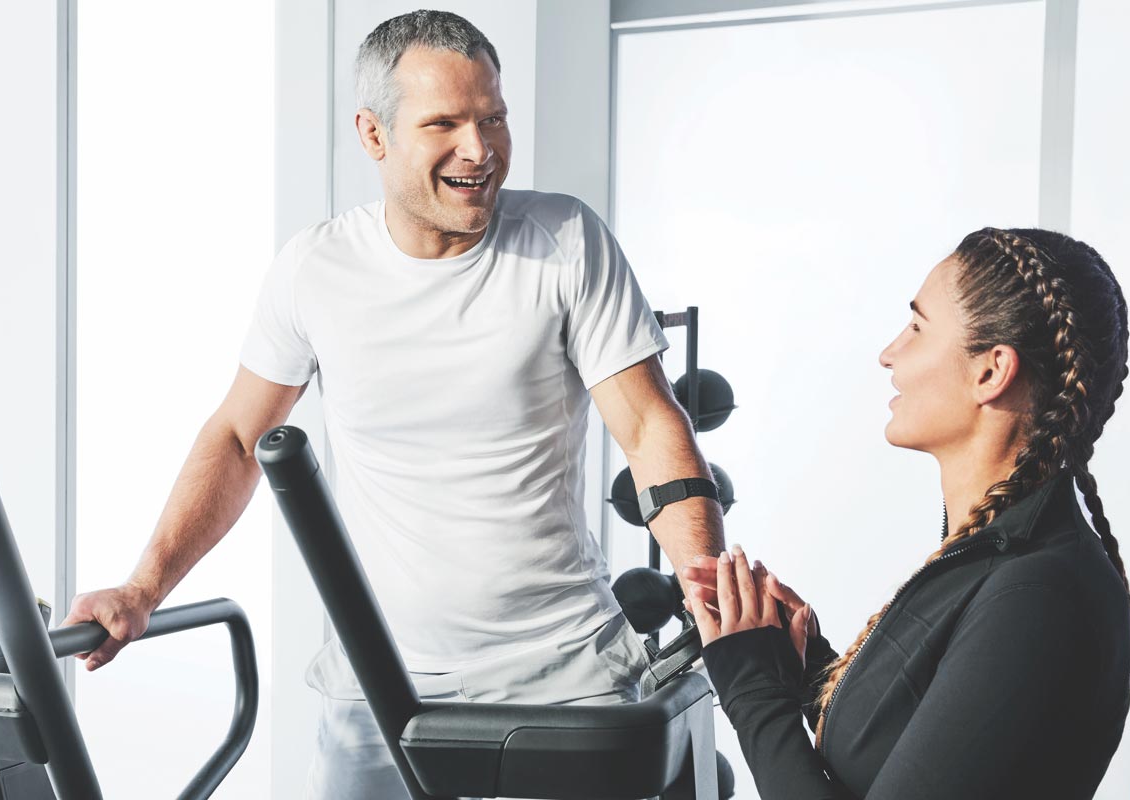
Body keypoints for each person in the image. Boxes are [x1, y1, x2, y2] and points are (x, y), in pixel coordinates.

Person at [63, 10, 724, 799]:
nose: (479, 151)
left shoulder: (564, 242)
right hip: (376, 686)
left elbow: (650, 425)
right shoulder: (316, 270)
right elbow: (239, 438)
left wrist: (708, 588)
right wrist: (144, 589)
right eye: (444, 123)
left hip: (561, 675)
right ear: (373, 135)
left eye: (493, 119)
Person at [681, 228, 1130, 799]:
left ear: (990, 371)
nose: (889, 353)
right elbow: (922, 753)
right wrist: (810, 673)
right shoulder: (996, 558)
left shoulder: (1039, 593)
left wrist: (753, 693)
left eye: (917, 327)